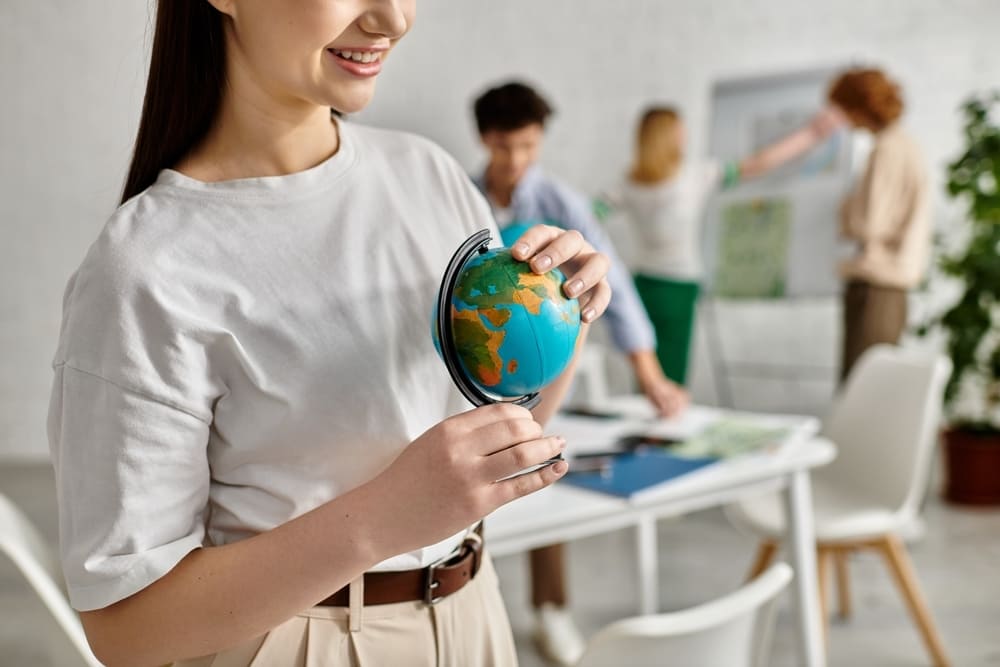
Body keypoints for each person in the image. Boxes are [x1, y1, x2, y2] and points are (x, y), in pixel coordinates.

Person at [45, 3, 612, 666]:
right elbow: (125, 628)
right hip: (298, 643)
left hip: (476, 612)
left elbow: (501, 437)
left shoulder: (430, 178)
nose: (393, 18)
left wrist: (565, 314)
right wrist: (384, 517)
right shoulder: (145, 269)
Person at [470, 80, 687, 666]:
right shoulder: (459, 198)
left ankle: (550, 609)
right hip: (470, 370)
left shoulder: (562, 203)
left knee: (540, 465)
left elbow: (615, 288)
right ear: (485, 140)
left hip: (546, 372)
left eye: (527, 146)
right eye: (504, 147)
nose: (516, 160)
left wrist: (650, 375)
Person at [605, 104, 842, 386]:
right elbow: (759, 163)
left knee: (646, 370)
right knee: (670, 377)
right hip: (677, 285)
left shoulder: (629, 183)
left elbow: (586, 214)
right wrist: (811, 134)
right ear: (671, 135)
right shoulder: (694, 175)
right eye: (681, 130)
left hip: (643, 284)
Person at [826, 68, 930, 379]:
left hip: (877, 285)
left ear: (857, 107)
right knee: (869, 384)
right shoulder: (903, 145)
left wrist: (845, 210)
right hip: (886, 286)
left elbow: (869, 222)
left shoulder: (887, 148)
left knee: (861, 384)